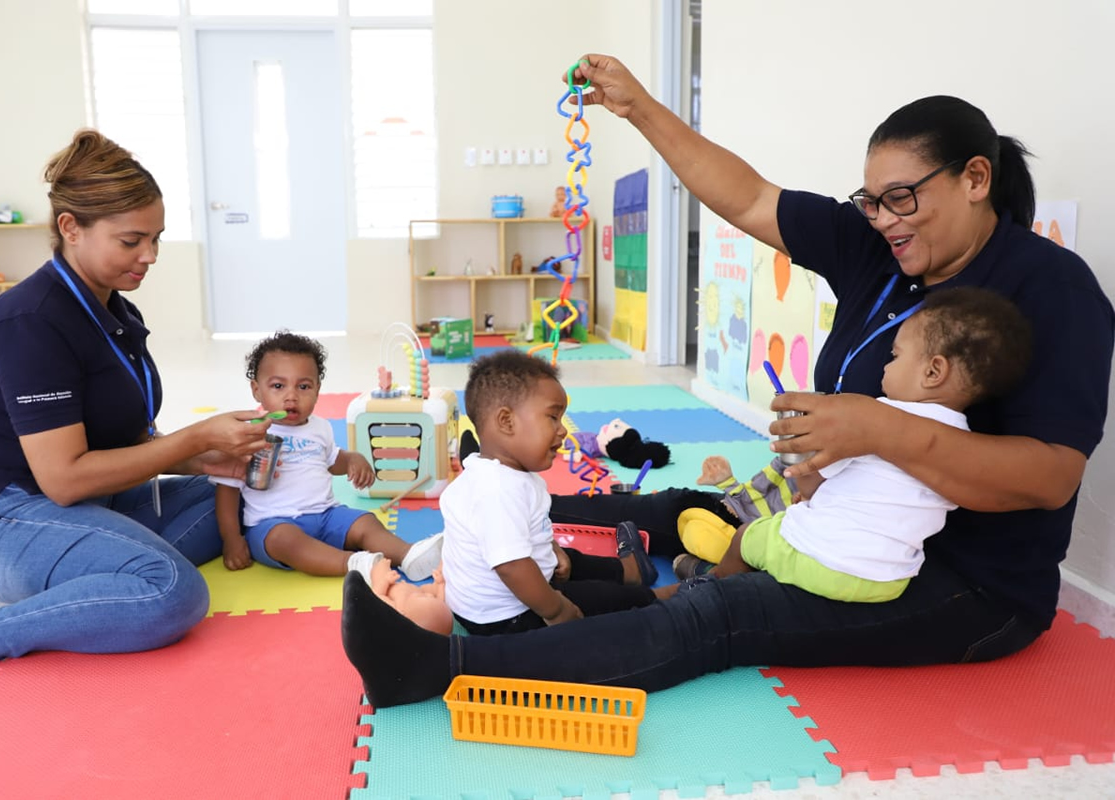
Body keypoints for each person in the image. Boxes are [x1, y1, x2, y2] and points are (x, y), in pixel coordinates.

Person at [340, 54, 1113, 708]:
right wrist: (639, 107)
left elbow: (1050, 478)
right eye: (871, 201)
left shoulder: (1052, 291)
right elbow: (746, 196)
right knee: (677, 507)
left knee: (717, 611)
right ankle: (495, 506)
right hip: (830, 517)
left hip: (954, 581)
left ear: (976, 178)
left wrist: (873, 428)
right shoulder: (880, 247)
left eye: (903, 198)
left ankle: (443, 671)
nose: (884, 219)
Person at [0, 130, 275, 682]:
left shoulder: (113, 312)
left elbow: (124, 441)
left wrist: (203, 461)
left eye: (156, 239)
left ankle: (102, 576)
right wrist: (196, 439)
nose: (149, 256)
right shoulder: (30, 320)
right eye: (131, 241)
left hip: (85, 501)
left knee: (241, 494)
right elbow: (62, 479)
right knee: (172, 592)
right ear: (70, 228)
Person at [676, 288, 1033, 604]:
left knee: (747, 536)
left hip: (823, 562)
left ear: (932, 372)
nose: (885, 365)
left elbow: (811, 484)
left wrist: (796, 446)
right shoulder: (962, 446)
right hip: (887, 582)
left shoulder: (872, 417)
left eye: (895, 356)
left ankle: (711, 585)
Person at [440, 351, 663, 635]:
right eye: (553, 417)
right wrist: (557, 610)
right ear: (507, 422)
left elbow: (527, 536)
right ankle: (668, 599)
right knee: (601, 599)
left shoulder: (493, 472)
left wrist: (554, 549)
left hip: (499, 598)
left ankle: (630, 572)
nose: (562, 431)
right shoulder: (497, 491)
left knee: (573, 559)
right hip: (510, 616)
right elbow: (511, 566)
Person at [212, 331, 443, 581]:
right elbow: (227, 491)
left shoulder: (320, 427)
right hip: (271, 524)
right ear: (257, 390)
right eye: (278, 386)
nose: (291, 396)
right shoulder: (247, 433)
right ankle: (353, 564)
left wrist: (353, 459)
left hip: (327, 514)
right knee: (286, 541)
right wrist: (232, 539)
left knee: (365, 522)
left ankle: (407, 555)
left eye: (303, 386)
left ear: (318, 389)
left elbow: (333, 461)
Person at [369, 558, 453, 636]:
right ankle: (436, 583)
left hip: (388, 586)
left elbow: (377, 596)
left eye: (423, 597)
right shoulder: (426, 603)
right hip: (416, 589)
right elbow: (440, 601)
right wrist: (440, 584)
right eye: (432, 597)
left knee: (379, 573)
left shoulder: (396, 608)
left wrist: (385, 581)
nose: (430, 595)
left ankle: (372, 563)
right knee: (432, 590)